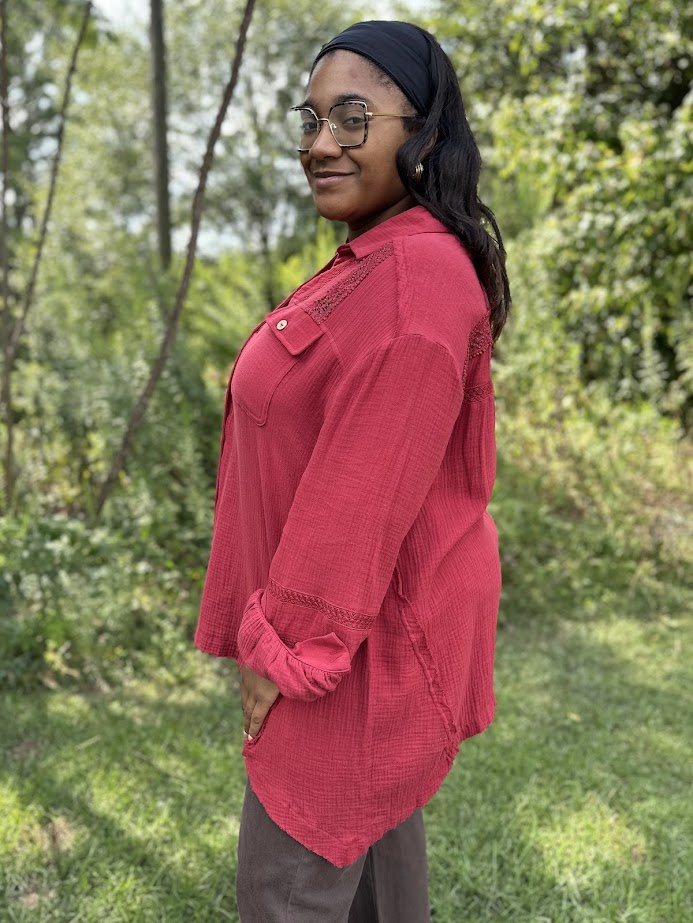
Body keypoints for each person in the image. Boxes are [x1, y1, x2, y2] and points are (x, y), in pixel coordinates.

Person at [194, 19, 511, 922]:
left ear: (424, 134)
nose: (319, 143)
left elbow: (358, 498)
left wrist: (282, 653)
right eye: (311, 118)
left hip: (345, 648)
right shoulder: (374, 259)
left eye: (352, 118)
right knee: (374, 879)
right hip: (351, 639)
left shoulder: (412, 282)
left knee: (290, 888)